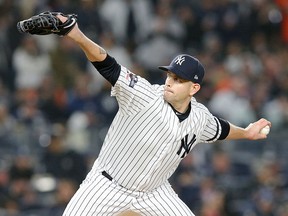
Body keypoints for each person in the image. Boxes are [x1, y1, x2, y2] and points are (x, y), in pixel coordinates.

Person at [56, 14, 271, 216]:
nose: (169, 81)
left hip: (154, 193)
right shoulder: (144, 95)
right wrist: (77, 35)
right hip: (107, 185)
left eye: (178, 79)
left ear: (194, 88)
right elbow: (107, 64)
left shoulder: (199, 117)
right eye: (170, 75)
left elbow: (220, 129)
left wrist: (246, 133)